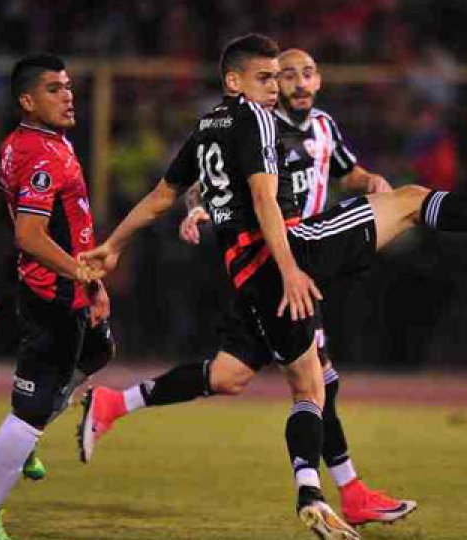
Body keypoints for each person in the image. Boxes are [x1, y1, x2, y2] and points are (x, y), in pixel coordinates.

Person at [79, 34, 467, 540]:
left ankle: (310, 492)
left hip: (247, 272)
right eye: (268, 77)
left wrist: (113, 243)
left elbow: (163, 194)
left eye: (287, 75)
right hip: (292, 250)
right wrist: (292, 268)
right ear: (234, 82)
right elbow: (262, 199)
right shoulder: (255, 119)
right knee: (411, 201)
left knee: (278, 382)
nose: (279, 86)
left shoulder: (211, 127)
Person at [174, 47, 414, 527]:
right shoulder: (260, 127)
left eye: (308, 73)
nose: (300, 83)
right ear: (271, 83)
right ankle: (334, 491)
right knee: (302, 381)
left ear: (320, 79)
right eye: (288, 75)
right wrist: (195, 207)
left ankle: (120, 402)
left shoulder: (324, 125)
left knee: (259, 376)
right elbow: (203, 179)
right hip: (277, 261)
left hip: (313, 258)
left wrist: (372, 181)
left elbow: (348, 171)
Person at [0, 54, 114, 540]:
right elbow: (28, 234)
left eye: (67, 86)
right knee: (34, 403)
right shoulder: (43, 155)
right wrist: (84, 274)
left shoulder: (28, 144)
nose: (68, 95)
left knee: (100, 351)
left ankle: (19, 437)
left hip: (64, 287)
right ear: (27, 100)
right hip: (55, 295)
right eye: (53, 89)